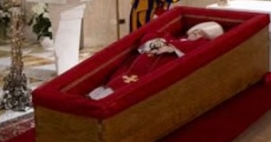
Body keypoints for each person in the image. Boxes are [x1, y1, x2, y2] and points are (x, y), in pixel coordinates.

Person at [88, 21, 224, 100]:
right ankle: (97, 95)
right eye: (196, 31)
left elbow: (199, 51)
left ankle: (103, 101)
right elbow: (151, 35)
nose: (196, 34)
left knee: (128, 86)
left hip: (154, 69)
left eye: (201, 34)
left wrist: (172, 48)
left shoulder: (199, 45)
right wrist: (161, 44)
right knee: (119, 77)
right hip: (139, 62)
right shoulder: (172, 38)